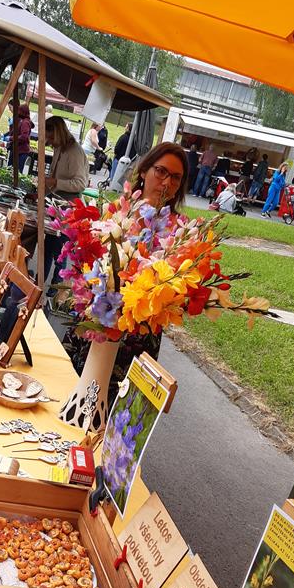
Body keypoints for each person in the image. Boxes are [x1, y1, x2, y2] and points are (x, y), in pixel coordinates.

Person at [64, 142, 188, 402]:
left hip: (139, 331)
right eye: (161, 171)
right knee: (71, 387)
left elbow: (176, 287)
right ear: (144, 171)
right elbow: (91, 263)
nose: (166, 182)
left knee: (116, 404)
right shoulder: (119, 211)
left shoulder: (180, 230)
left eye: (176, 177)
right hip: (97, 318)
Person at [42, 115, 89, 287]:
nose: (49, 141)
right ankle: (43, 282)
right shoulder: (59, 148)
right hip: (56, 203)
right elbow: (54, 177)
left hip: (68, 208)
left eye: (51, 137)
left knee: (59, 249)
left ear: (59, 133)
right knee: (49, 246)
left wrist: (55, 183)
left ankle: (56, 285)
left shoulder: (74, 152)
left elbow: (80, 183)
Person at [7, 103, 34, 170]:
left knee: (16, 171)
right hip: (17, 149)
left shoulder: (25, 122)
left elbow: (24, 136)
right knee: (11, 169)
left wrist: (11, 138)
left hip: (21, 151)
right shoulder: (22, 121)